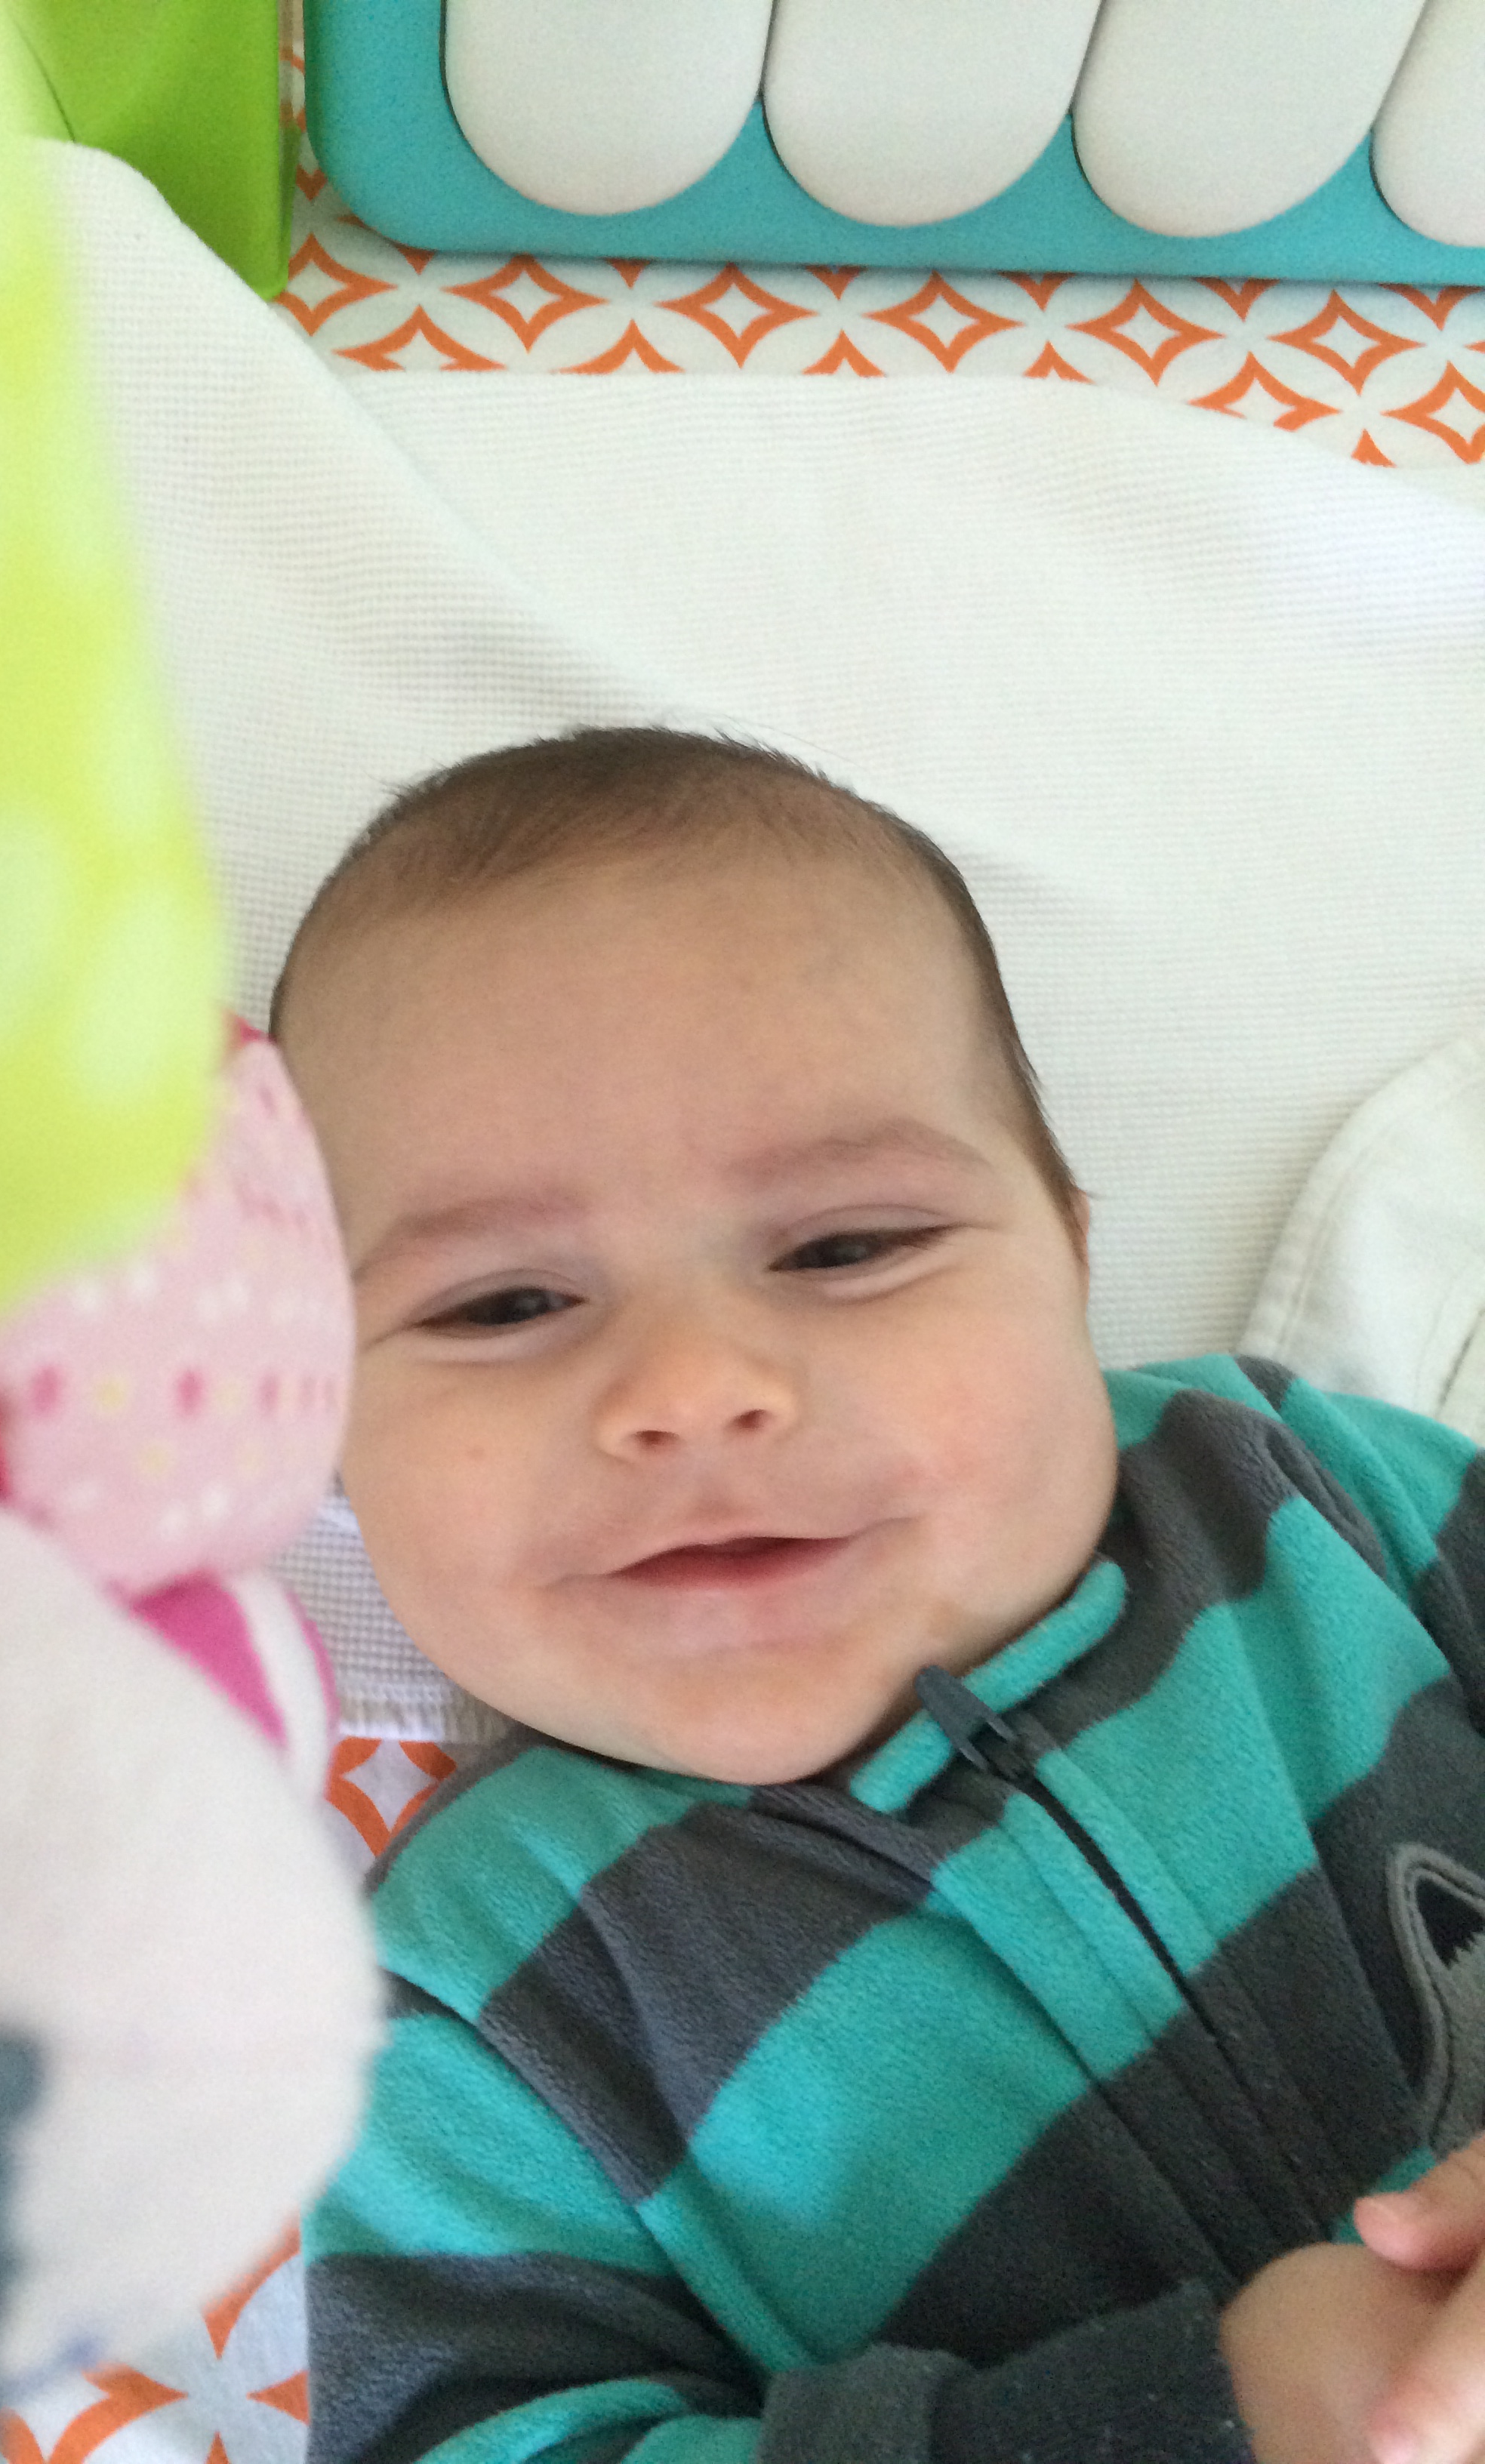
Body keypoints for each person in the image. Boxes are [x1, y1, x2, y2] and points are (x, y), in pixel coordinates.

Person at [274, 726, 1485, 2464]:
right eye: (503, 1307)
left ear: (1068, 1256)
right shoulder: (471, 2004)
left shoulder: (1311, 1495)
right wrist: (1197, 2421)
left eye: (845, 1247)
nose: (694, 1389)